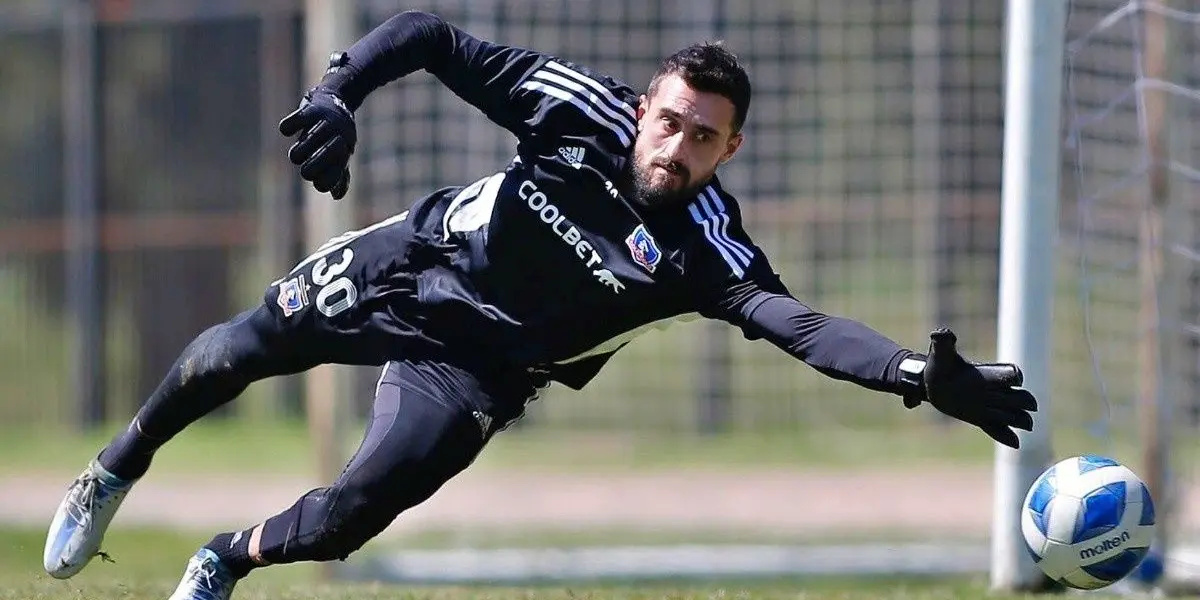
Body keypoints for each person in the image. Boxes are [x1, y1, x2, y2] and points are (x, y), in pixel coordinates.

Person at [42, 10, 1037, 599]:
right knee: (234, 353)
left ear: (729, 152)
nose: (676, 146)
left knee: (346, 522)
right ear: (645, 106)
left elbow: (801, 325)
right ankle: (114, 468)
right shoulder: (574, 106)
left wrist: (912, 373)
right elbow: (428, 34)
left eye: (703, 138)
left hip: (480, 367)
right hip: (416, 264)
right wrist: (340, 91)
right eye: (670, 121)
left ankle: (222, 560)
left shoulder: (707, 249)